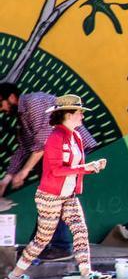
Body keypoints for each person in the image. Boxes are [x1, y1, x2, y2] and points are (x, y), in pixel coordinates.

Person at [4, 94, 110, 279]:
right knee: (41, 240)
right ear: (68, 115)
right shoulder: (54, 138)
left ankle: (86, 274)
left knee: (80, 230)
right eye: (79, 113)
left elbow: (73, 166)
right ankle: (15, 275)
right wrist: (87, 168)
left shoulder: (76, 136)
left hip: (68, 196)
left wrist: (90, 166)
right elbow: (56, 171)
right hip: (50, 197)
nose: (82, 117)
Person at [0, 82, 97, 261]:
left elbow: (43, 143)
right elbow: (23, 149)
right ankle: (40, 246)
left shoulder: (34, 103)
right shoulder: (23, 117)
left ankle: (60, 247)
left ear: (12, 98)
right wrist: (7, 178)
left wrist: (24, 172)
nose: (2, 109)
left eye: (1, 104)